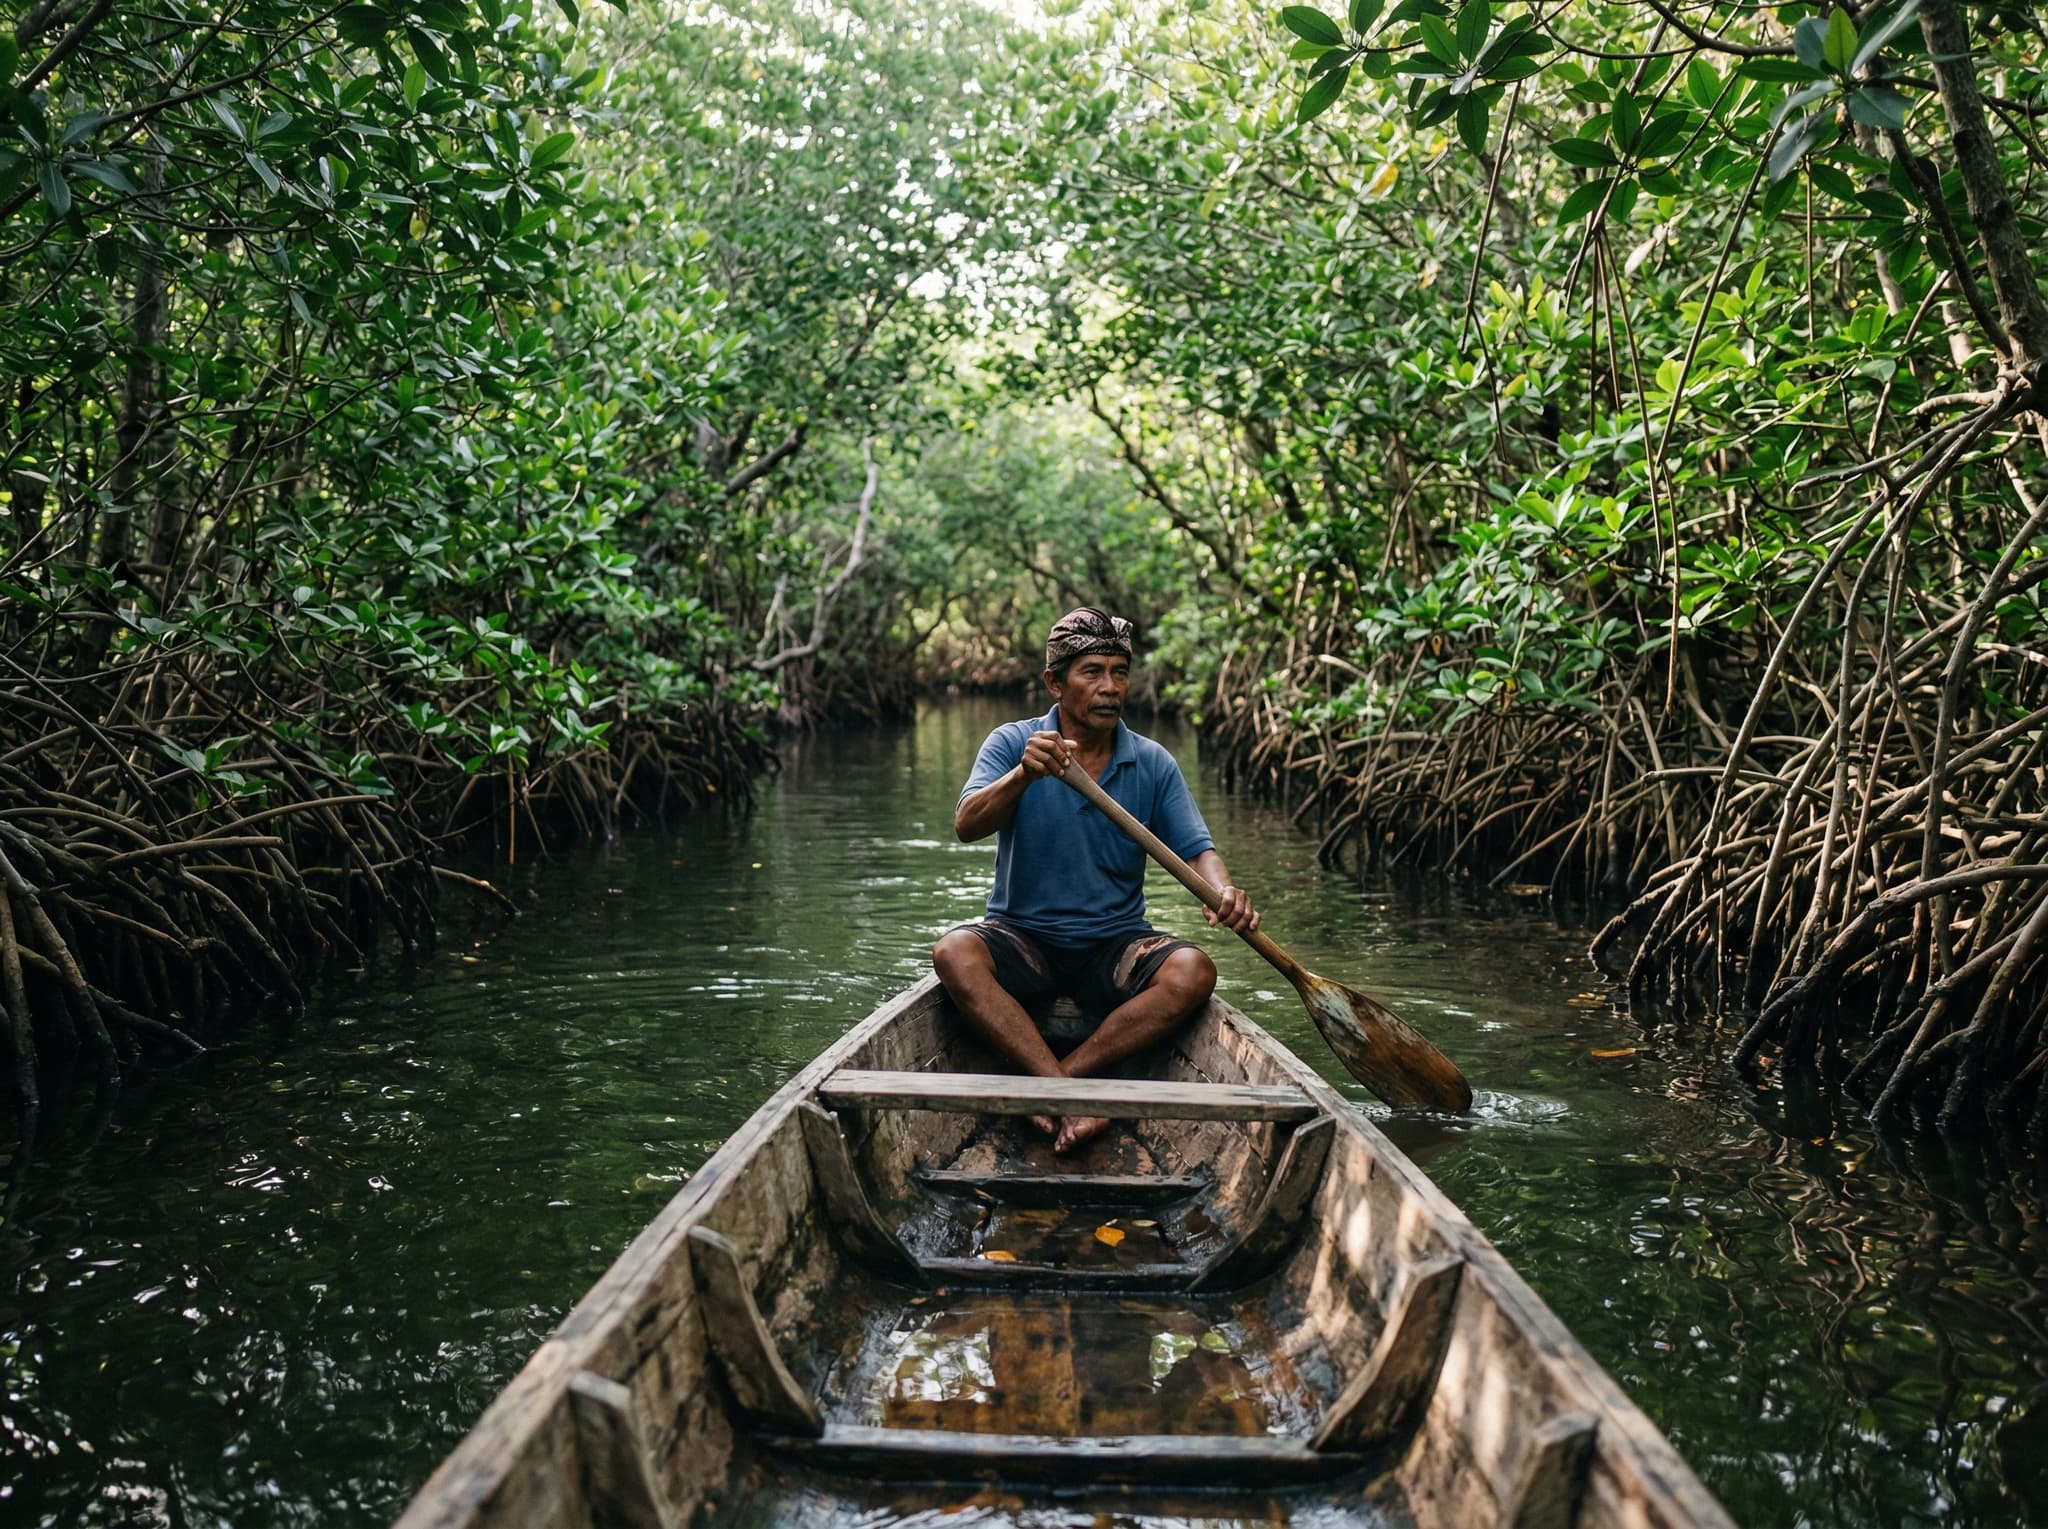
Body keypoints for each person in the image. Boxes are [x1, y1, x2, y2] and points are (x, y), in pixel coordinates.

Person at [931, 607, 1258, 1153]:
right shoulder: (1014, 744)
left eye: (1119, 672)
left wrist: (1223, 890)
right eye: (1092, 672)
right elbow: (966, 824)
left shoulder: (1151, 762)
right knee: (954, 953)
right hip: (1023, 940)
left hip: (1114, 945)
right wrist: (1022, 776)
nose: (1110, 688)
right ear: (1054, 683)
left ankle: (1058, 1083)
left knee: (1193, 971)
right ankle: (1065, 1091)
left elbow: (1198, 850)